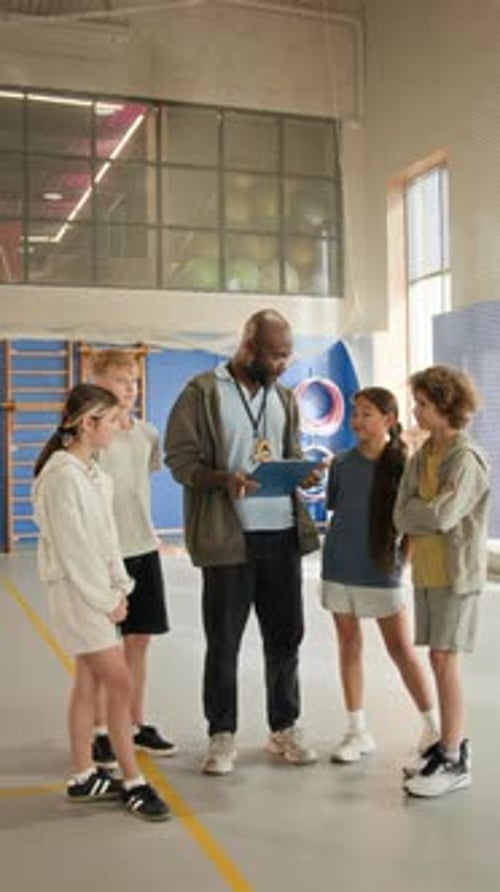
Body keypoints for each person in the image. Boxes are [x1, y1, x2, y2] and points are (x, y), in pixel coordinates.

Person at [164, 309, 320, 775]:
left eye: (288, 356)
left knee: (286, 637)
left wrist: (301, 472)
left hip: (282, 535)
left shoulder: (284, 396)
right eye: (275, 355)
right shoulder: (202, 392)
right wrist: (223, 479)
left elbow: (290, 451)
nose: (282, 365)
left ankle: (284, 727)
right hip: (228, 538)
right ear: (249, 348)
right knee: (224, 642)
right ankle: (222, 734)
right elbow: (180, 459)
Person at [32, 384, 170, 822]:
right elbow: (74, 553)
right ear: (88, 423)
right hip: (78, 596)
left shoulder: (94, 474)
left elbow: (108, 540)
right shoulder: (60, 478)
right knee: (120, 682)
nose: (118, 427)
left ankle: (83, 775)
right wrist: (106, 600)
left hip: (98, 593)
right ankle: (133, 780)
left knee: (89, 680)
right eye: (111, 420)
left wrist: (121, 586)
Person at [321, 387, 438, 764]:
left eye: (366, 413)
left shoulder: (407, 466)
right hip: (339, 567)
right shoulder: (341, 464)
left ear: (389, 419)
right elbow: (339, 511)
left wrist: (400, 565)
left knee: (401, 650)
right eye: (355, 413)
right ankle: (357, 731)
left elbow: (414, 528)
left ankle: (433, 727)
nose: (357, 420)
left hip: (382, 570)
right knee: (348, 644)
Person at [394, 365, 490, 798]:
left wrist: (421, 510)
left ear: (446, 406)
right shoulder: (422, 456)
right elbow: (401, 514)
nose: (415, 411)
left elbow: (442, 516)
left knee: (445, 659)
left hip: (456, 576)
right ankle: (450, 744)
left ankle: (454, 759)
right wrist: (422, 511)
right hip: (427, 572)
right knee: (437, 659)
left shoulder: (466, 459)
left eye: (423, 404)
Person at [88, 350, 176, 768]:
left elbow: (136, 488)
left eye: (135, 381)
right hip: (104, 555)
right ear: (98, 382)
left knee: (139, 641)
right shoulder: (91, 435)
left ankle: (135, 723)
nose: (131, 388)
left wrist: (152, 535)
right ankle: (100, 730)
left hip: (142, 548)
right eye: (122, 380)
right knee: (101, 647)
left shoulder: (147, 434)